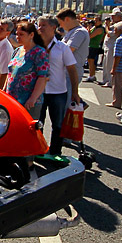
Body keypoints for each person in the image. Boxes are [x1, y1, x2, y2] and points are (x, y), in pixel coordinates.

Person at [36, 16, 80, 156]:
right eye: (39, 25)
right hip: (39, 92)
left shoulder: (62, 48)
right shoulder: (35, 47)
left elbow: (72, 70)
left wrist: (75, 92)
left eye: (43, 25)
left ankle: (55, 152)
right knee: (37, 123)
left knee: (58, 125)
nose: (40, 28)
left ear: (53, 27)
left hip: (58, 92)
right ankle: (38, 149)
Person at [6, 21, 49, 118]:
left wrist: (33, 99)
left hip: (28, 102)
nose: (18, 37)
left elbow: (42, 78)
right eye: (17, 34)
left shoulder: (39, 52)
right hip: (12, 99)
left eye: (21, 34)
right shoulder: (17, 51)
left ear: (31, 35)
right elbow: (10, 74)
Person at [56, 8, 89, 102]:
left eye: (60, 22)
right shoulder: (72, 31)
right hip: (66, 71)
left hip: (71, 72)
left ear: (67, 19)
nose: (61, 26)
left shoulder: (79, 32)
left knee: (67, 102)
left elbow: (67, 50)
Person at [106, 22, 122, 109]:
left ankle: (117, 102)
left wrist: (113, 68)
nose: (114, 32)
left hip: (120, 66)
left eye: (115, 30)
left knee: (117, 85)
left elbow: (117, 55)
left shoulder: (120, 39)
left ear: (120, 30)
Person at [100, 9, 122, 87]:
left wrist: (107, 26)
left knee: (110, 65)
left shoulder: (120, 25)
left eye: (113, 16)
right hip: (107, 46)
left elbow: (110, 34)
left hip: (112, 47)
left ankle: (110, 81)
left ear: (118, 17)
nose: (112, 17)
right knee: (105, 64)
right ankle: (105, 80)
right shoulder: (114, 24)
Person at [86, 16, 105, 83]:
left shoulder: (100, 29)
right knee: (89, 61)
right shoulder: (95, 27)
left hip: (94, 46)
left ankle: (92, 75)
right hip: (90, 45)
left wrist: (88, 28)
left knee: (91, 61)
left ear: (100, 21)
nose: (95, 22)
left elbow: (90, 36)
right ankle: (91, 74)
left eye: (96, 20)